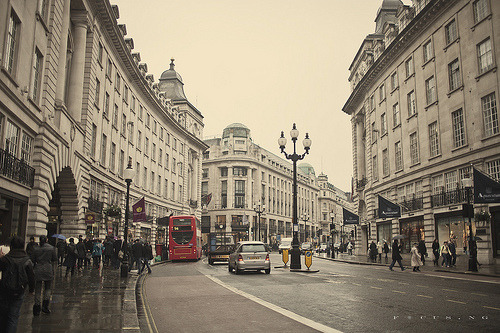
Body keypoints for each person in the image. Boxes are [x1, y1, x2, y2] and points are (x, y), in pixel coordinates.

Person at [0, 235, 35, 332]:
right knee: (13, 317)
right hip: (19, 291)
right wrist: (31, 290)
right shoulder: (27, 260)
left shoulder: (5, 259)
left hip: (5, 290)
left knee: (3, 315)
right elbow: (31, 277)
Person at [31, 235, 57, 315]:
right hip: (48, 269)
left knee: (38, 289)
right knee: (48, 288)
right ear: (46, 240)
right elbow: (54, 258)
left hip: (38, 269)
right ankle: (45, 306)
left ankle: (37, 307)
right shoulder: (51, 248)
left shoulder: (36, 249)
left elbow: (33, 259)